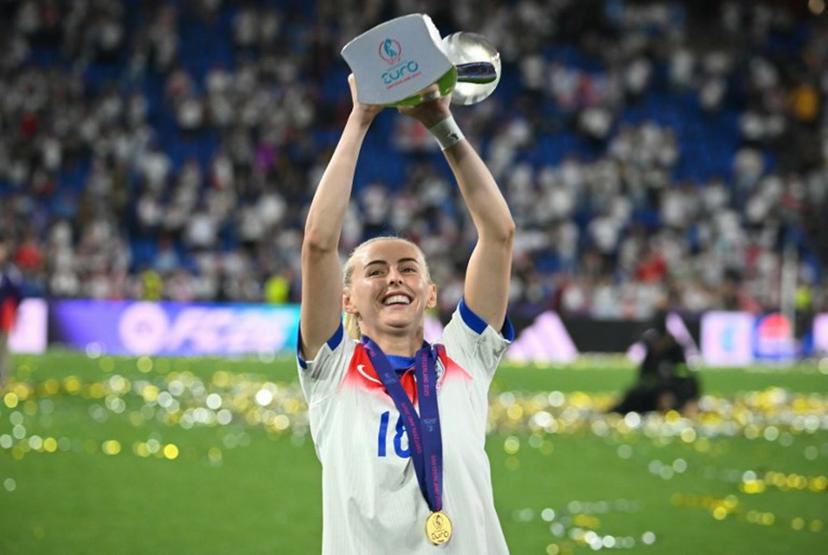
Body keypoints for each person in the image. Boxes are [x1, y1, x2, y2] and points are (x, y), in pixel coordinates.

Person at [297, 75, 515, 555]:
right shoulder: (332, 371)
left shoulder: (465, 357)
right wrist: (360, 118)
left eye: (408, 269)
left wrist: (442, 125)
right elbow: (317, 245)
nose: (394, 278)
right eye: (375, 271)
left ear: (431, 293)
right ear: (348, 300)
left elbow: (498, 233)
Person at [610, 310, 700, 415]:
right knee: (634, 394)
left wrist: (670, 391)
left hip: (674, 391)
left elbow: (687, 377)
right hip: (654, 393)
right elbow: (643, 377)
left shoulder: (676, 350)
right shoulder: (651, 351)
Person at [0, 235, 23, 388]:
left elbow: (18, 295)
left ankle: (2, 381)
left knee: (3, 348)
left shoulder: (10, 272)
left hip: (3, 316)